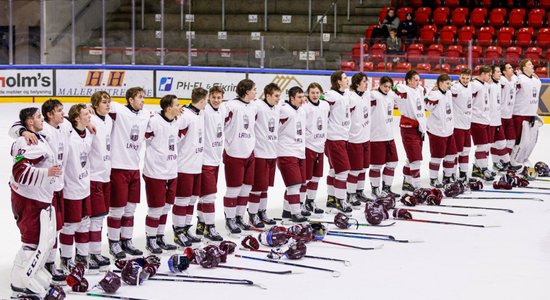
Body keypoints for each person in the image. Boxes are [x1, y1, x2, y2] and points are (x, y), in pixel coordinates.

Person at [8, 99, 70, 282]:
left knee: (49, 233)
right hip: (31, 198)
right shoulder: (30, 139)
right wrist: (47, 172)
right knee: (33, 238)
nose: (41, 119)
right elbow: (19, 172)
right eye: (38, 117)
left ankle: (42, 267)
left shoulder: (44, 134)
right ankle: (21, 279)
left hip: (49, 192)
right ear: (29, 122)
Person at [107, 87, 152, 258]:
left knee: (130, 209)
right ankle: (114, 243)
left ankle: (126, 240)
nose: (143, 100)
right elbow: (97, 107)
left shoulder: (146, 114)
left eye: (143, 97)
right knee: (116, 210)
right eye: (140, 97)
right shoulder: (118, 110)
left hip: (134, 168)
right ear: (130, 99)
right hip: (118, 167)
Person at [142, 94, 180, 253]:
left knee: (166, 207)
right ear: (168, 108)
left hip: (171, 171)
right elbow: (143, 137)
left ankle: (159, 237)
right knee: (155, 208)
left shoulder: (177, 121)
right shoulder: (154, 121)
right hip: (155, 172)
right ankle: (150, 240)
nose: (180, 108)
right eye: (177, 105)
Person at [59, 104, 95, 272]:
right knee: (70, 225)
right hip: (70, 188)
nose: (89, 116)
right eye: (86, 114)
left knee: (85, 223)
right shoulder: (68, 132)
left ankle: (81, 256)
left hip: (85, 186)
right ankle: (66, 259)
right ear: (76, 118)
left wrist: (88, 119)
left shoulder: (87, 132)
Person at [222, 79, 257, 234]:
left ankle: (239, 217)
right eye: (254, 89)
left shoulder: (254, 106)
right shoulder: (230, 106)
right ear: (246, 91)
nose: (256, 92)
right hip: (234, 153)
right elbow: (217, 120)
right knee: (233, 189)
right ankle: (229, 219)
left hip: (249, 152)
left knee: (246, 189)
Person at [173, 88, 207, 246]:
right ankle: (178, 232)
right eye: (206, 99)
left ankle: (186, 229)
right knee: (182, 201)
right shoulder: (185, 115)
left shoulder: (200, 114)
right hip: (184, 166)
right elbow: (174, 135)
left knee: (192, 200)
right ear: (202, 100)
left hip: (196, 165)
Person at [195, 86, 226, 241]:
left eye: (219, 97)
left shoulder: (222, 110)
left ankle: (201, 222)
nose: (216, 100)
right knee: (209, 196)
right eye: (213, 97)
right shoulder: (204, 110)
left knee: (204, 196)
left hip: (216, 160)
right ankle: (210, 228)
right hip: (204, 160)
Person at [88, 91, 114, 270]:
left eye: (108, 102)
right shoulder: (90, 119)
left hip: (106, 176)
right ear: (96, 105)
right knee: (94, 219)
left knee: (101, 216)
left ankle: (94, 252)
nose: (107, 105)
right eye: (104, 102)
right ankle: (92, 253)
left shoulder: (109, 120)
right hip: (93, 177)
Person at [250, 83, 281, 226]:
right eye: (275, 96)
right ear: (267, 95)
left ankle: (262, 211)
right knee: (257, 187)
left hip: (272, 153)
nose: (278, 98)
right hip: (260, 153)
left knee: (265, 187)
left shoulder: (278, 107)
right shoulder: (257, 105)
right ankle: (253, 214)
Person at [278, 86, 308, 222]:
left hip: (299, 151)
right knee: (294, 185)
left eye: (303, 96)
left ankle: (287, 211)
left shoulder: (300, 110)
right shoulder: (284, 110)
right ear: (291, 98)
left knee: (298, 184)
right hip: (286, 151)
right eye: (299, 97)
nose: (303, 100)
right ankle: (296, 213)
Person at [324, 71, 353, 213]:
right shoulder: (331, 95)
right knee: (343, 171)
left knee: (334, 170)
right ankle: (340, 201)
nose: (348, 80)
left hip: (343, 137)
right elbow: (321, 106)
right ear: (338, 81)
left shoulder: (346, 93)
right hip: (334, 138)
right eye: (345, 78)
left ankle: (331, 199)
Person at [393, 70, 426, 191]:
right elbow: (396, 88)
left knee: (411, 158)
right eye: (416, 80)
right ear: (408, 80)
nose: (418, 82)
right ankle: (418, 186)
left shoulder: (419, 90)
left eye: (419, 80)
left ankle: (407, 182)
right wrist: (394, 86)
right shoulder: (404, 90)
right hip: (408, 128)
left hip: (419, 129)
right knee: (416, 159)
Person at [369, 76, 400, 197]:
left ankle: (387, 188)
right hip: (376, 137)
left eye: (389, 86)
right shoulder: (374, 95)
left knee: (392, 163)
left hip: (389, 136)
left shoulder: (392, 95)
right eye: (384, 86)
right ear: (379, 85)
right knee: (376, 165)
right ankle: (375, 189)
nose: (387, 89)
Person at [301, 82, 329, 214]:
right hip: (308, 146)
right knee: (305, 178)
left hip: (320, 145)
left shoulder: (325, 105)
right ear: (308, 93)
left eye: (317, 92)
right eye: (312, 92)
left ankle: (310, 201)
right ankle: (300, 203)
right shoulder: (305, 107)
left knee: (316, 177)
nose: (315, 95)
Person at [425, 75, 457, 187]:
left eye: (449, 83)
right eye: (447, 83)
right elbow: (426, 105)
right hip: (436, 131)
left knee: (451, 155)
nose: (449, 86)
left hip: (448, 130)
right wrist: (430, 91)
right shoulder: (434, 95)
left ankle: (447, 177)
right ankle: (433, 179)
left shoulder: (448, 93)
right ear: (440, 83)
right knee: (437, 157)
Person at [511, 59, 542, 168]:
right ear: (523, 68)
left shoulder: (536, 80)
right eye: (529, 64)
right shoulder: (519, 79)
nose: (532, 65)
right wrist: (516, 75)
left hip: (532, 115)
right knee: (520, 142)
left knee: (530, 142)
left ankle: (523, 159)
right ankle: (514, 161)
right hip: (519, 114)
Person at [347, 73, 372, 204]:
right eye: (364, 81)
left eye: (367, 81)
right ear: (357, 84)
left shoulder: (367, 94)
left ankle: (359, 191)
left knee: (363, 168)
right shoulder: (351, 97)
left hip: (366, 137)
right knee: (355, 169)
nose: (366, 83)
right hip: (354, 139)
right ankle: (350, 194)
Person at [470, 66, 495, 181]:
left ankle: (477, 168)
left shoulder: (485, 85)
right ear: (483, 74)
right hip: (476, 120)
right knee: (482, 146)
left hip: (485, 119)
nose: (490, 77)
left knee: (487, 145)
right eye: (489, 75)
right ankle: (483, 169)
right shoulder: (474, 84)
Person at [450, 68, 474, 181]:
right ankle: (452, 173)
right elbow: (445, 88)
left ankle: (463, 173)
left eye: (467, 78)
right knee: (456, 152)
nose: (465, 80)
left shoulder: (471, 85)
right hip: (457, 125)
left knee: (466, 150)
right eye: (463, 78)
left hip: (467, 125)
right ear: (459, 77)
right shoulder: (456, 87)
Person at [487, 65, 509, 172]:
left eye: (500, 72)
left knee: (501, 142)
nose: (500, 73)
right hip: (489, 121)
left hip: (497, 120)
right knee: (487, 146)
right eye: (498, 72)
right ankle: (481, 167)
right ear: (492, 73)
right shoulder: (488, 85)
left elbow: (509, 78)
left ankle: (503, 162)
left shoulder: (499, 83)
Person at [499, 63, 520, 170]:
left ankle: (507, 162)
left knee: (511, 140)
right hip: (500, 116)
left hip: (509, 115)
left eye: (511, 67)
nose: (512, 69)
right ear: (504, 72)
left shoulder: (515, 78)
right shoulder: (502, 80)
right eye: (509, 68)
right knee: (499, 142)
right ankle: (499, 162)